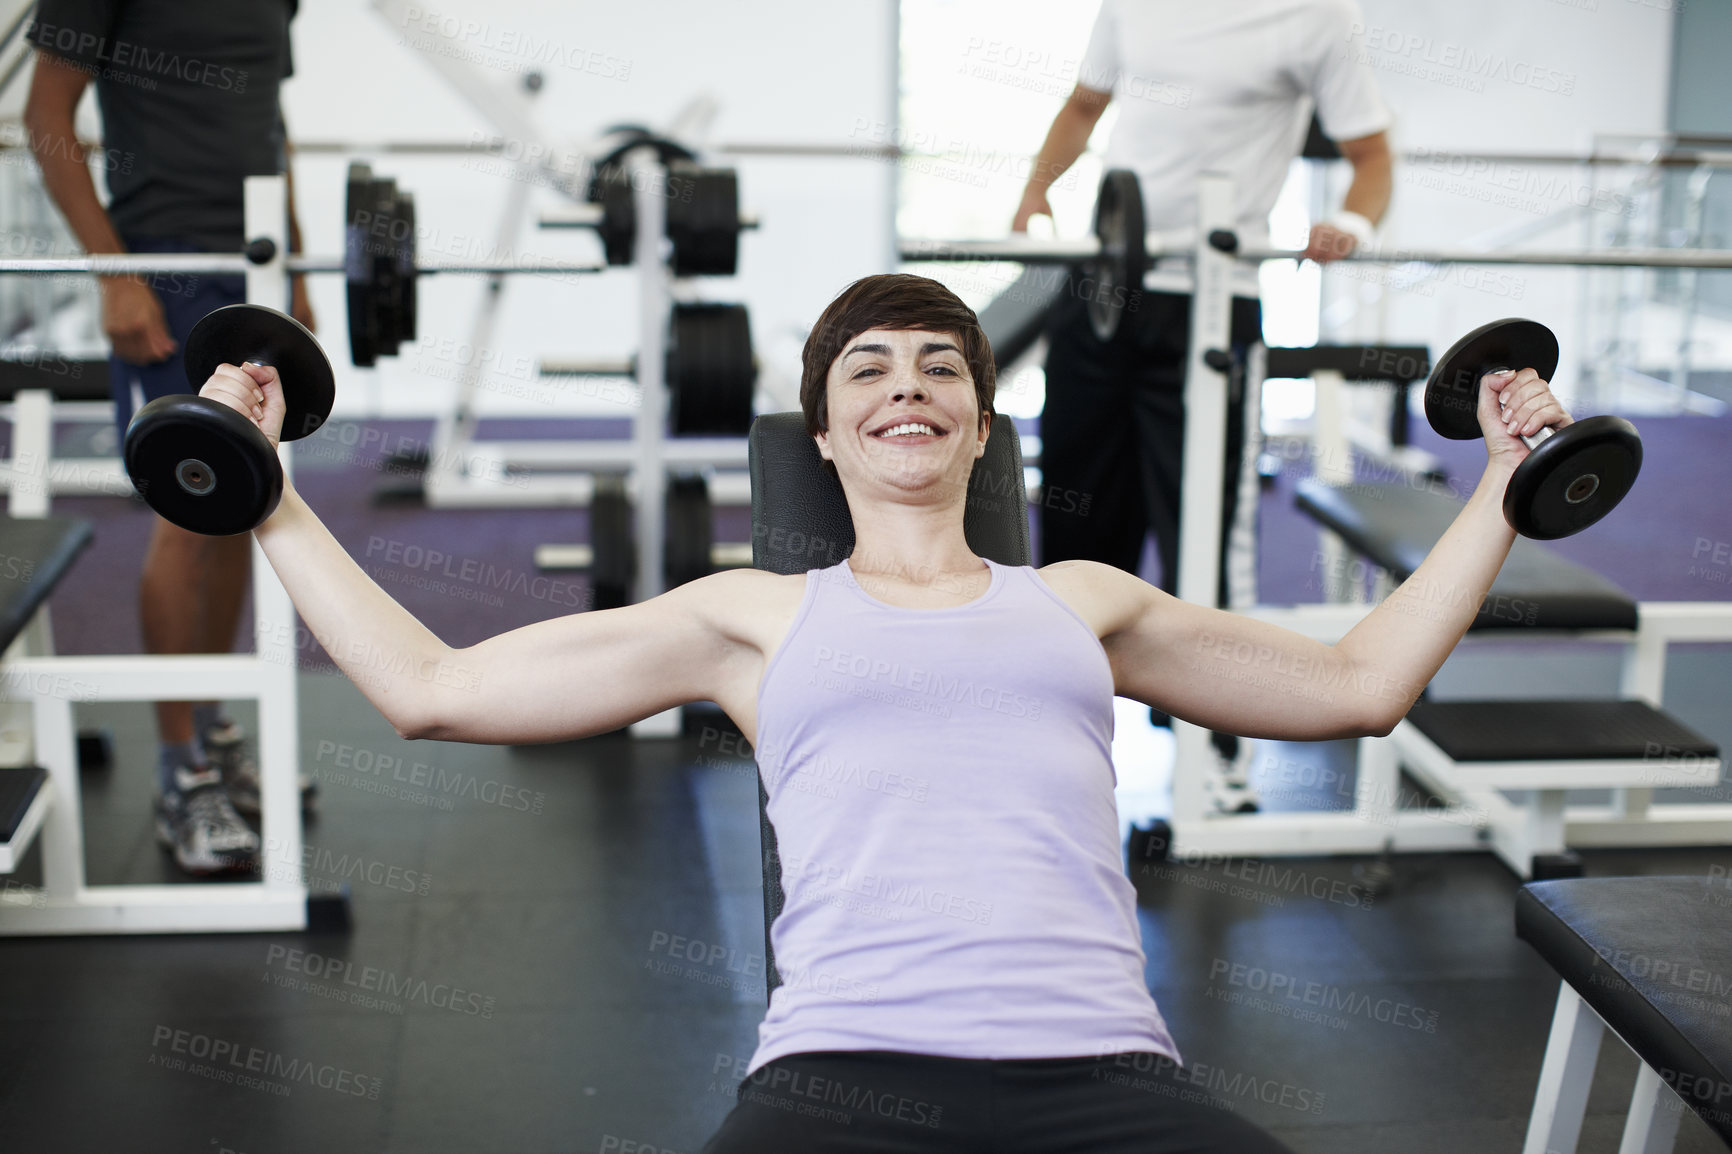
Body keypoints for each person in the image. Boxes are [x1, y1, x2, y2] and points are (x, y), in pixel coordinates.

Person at [199, 273, 1565, 1151]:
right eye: (868, 368)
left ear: (979, 431)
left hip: (1109, 1082)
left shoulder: (1084, 599)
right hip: (838, 1086)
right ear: (829, 435)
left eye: (938, 368)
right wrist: (267, 488)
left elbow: (1360, 685)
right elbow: (434, 690)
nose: (905, 382)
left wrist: (1507, 483)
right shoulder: (751, 616)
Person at [1012, 0, 1396, 808]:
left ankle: (1217, 750)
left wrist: (1352, 221)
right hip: (1101, 289)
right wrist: (1035, 193)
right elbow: (1086, 104)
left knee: (1205, 536)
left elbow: (1371, 155)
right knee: (1078, 529)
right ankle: (1052, 736)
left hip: (1212, 303)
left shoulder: (1318, 19)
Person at [23, 0, 315, 875]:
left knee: (242, 504)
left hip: (250, 264)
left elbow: (271, 120)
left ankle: (214, 726)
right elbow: (44, 119)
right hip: (162, 261)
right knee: (188, 513)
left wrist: (292, 258)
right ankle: (179, 764)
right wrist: (113, 274)